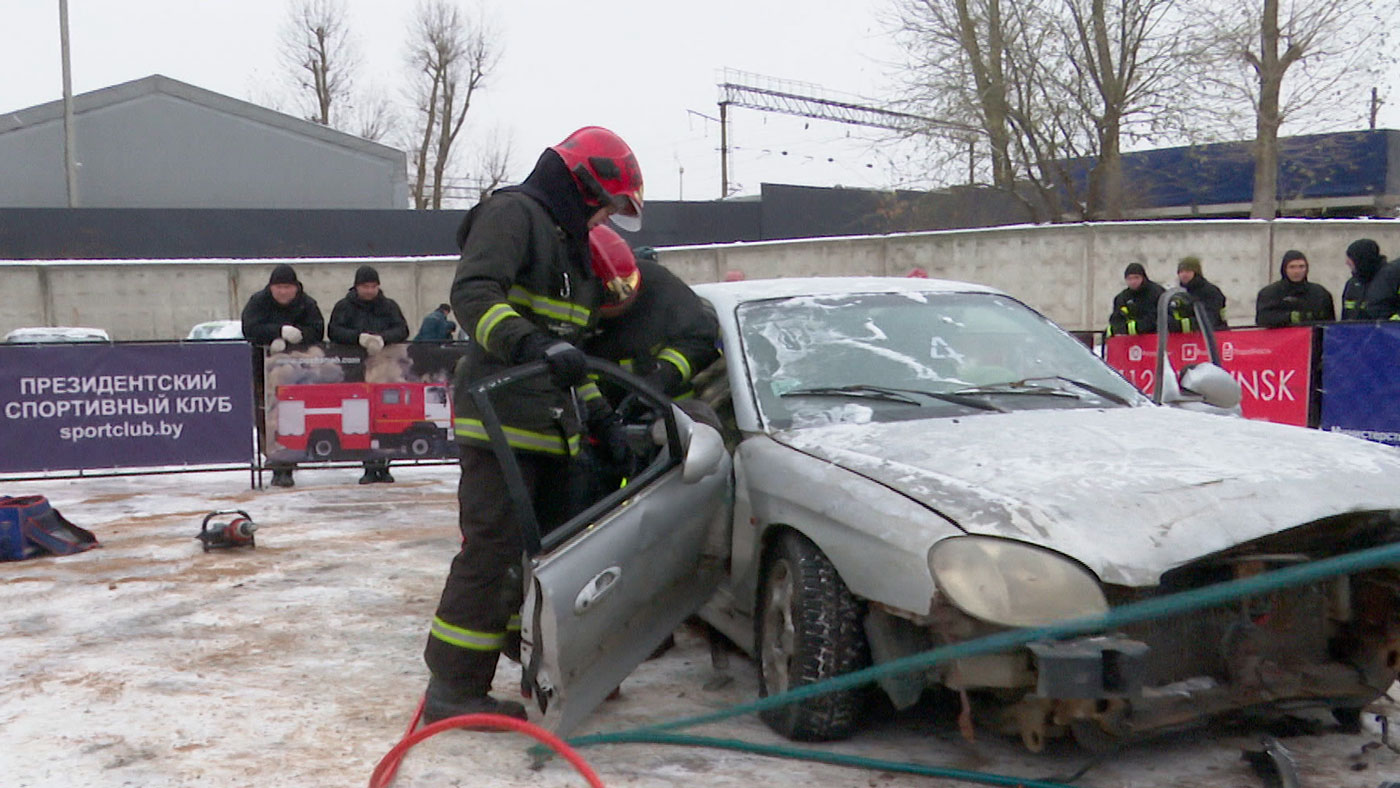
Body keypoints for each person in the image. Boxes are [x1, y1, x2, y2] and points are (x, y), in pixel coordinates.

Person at [421, 126, 644, 724]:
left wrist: (600, 415)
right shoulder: (511, 214)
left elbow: (568, 352)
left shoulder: (572, 246)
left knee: (535, 561)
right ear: (583, 183)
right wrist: (531, 343)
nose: (604, 218)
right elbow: (473, 295)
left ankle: (528, 670)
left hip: (549, 424)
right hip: (499, 418)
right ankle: (452, 689)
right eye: (605, 204)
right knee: (490, 552)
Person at [583, 235, 721, 403]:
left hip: (671, 409)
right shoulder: (575, 308)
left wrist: (664, 373)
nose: (622, 298)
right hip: (601, 411)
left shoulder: (661, 286)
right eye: (609, 294)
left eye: (628, 284)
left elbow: (700, 338)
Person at [240, 263, 325, 488]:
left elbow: (317, 330)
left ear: (296, 288)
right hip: (263, 371)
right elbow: (249, 328)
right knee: (267, 416)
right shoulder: (258, 302)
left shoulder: (308, 304)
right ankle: (275, 460)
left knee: (293, 415)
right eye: (279, 287)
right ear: (271, 288)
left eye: (288, 287)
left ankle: (289, 461)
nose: (283, 292)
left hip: (299, 374)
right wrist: (276, 333)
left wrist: (297, 337)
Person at [327, 265, 411, 484]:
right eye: (365, 286)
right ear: (357, 286)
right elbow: (334, 331)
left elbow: (402, 329)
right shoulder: (344, 307)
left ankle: (384, 465)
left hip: (384, 371)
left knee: (385, 418)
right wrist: (358, 338)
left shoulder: (389, 306)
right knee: (361, 418)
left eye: (373, 286)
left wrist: (383, 338)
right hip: (355, 370)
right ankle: (367, 465)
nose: (370, 290)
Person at [1254, 250, 1335, 327]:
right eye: (1292, 267)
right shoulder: (1269, 293)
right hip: (1282, 340)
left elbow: (1331, 324)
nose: (1297, 271)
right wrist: (1290, 317)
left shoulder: (1320, 293)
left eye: (1301, 266)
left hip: (1313, 340)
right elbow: (1262, 319)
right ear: (1284, 269)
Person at [1340, 239, 1400, 321]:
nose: (1347, 262)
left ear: (1362, 259)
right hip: (1357, 333)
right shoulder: (1352, 284)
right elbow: (1346, 316)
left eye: (1351, 258)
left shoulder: (1391, 278)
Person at [1106, 263, 1166, 337]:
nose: (1133, 282)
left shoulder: (1157, 292)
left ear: (1143, 277)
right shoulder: (1122, 298)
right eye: (1129, 279)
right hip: (1129, 341)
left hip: (1154, 339)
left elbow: (1156, 318)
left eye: (1136, 278)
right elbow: (1116, 319)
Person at [1170, 256, 1228, 332]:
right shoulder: (1177, 293)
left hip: (1214, 337)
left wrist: (1178, 326)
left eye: (1188, 271)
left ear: (1196, 273)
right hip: (1186, 339)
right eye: (1181, 272)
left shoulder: (1210, 291)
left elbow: (1209, 320)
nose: (1183, 274)